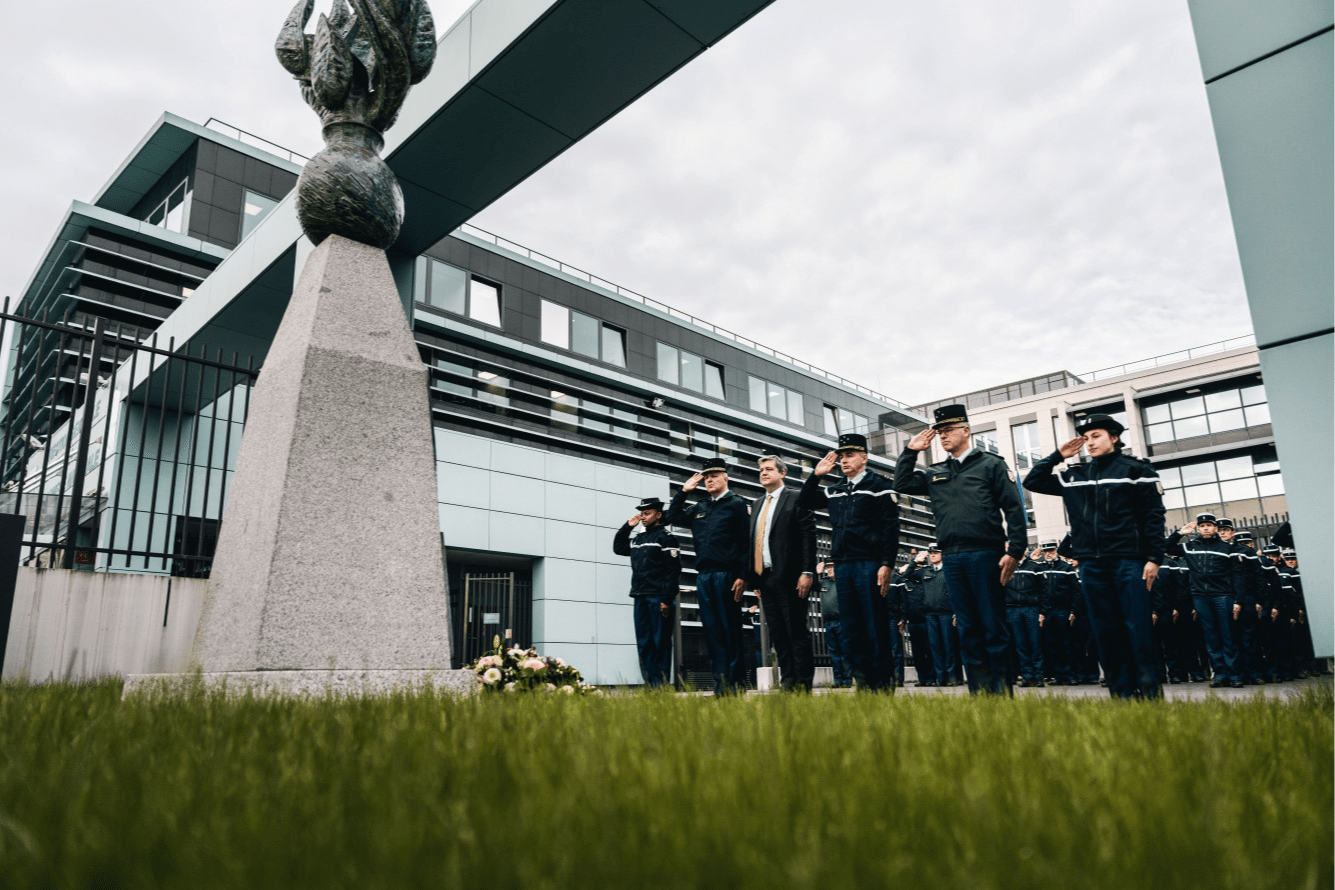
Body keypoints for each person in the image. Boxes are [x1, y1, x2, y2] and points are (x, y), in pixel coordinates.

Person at [1023, 413, 1166, 700]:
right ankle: (1121, 694)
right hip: (1091, 564)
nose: (1089, 443)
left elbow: (1154, 516)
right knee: (1105, 631)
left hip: (1129, 560)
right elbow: (1032, 481)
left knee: (1137, 628)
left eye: (1096, 436)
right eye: (1086, 438)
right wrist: (1057, 455)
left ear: (1114, 437)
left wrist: (1154, 558)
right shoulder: (1074, 475)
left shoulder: (1137, 470)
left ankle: (1149, 694)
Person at [894, 405, 1027, 696]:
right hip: (953, 557)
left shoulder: (990, 464)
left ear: (966, 430)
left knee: (993, 625)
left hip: (986, 554)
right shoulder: (936, 471)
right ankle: (980, 693)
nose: (942, 437)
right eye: (939, 432)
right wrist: (911, 451)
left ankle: (1002, 692)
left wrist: (1015, 550)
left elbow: (1014, 508)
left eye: (948, 431)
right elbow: (902, 483)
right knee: (967, 628)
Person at [799, 432, 901, 692]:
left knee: (874, 627)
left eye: (850, 455)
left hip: (869, 563)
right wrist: (816, 475)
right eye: (841, 456)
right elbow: (804, 502)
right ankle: (864, 685)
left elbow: (891, 528)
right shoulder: (835, 490)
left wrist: (887, 564)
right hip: (842, 566)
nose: (844, 461)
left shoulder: (880, 486)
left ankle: (883, 686)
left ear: (864, 458)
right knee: (852, 630)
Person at [664, 456, 750, 695]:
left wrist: (743, 576)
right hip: (704, 577)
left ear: (726, 478)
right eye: (706, 478)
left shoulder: (737, 504)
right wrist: (683, 492)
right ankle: (720, 685)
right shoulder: (700, 507)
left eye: (714, 477)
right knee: (712, 632)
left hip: (728, 576)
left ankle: (736, 685)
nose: (709, 481)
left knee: (730, 631)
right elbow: (673, 517)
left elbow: (747, 543)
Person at [747, 455, 818, 692]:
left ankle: (803, 685)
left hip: (792, 577)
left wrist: (807, 571)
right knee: (778, 634)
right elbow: (755, 541)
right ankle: (788, 682)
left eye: (769, 469)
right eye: (761, 470)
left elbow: (808, 536)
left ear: (782, 473)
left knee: (795, 631)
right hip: (765, 578)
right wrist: (755, 577)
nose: (764, 473)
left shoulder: (796, 497)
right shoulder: (757, 503)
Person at [1165, 513, 1243, 688]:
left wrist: (1238, 600)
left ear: (1215, 528)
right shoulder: (1190, 546)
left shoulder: (1227, 548)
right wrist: (1180, 533)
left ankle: (1234, 675)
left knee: (1228, 636)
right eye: (1202, 526)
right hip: (1200, 597)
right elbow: (1165, 547)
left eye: (1209, 525)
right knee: (1211, 637)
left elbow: (1238, 576)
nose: (1205, 528)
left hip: (1223, 596)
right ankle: (1220, 675)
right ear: (1198, 529)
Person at [612, 497, 681, 688]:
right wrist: (628, 526)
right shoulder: (638, 540)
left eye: (647, 513)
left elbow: (673, 571)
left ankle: (661, 686)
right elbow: (618, 548)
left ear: (658, 515)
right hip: (640, 597)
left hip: (660, 599)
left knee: (660, 643)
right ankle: (650, 685)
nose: (643, 517)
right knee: (644, 644)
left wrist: (667, 599)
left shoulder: (667, 538)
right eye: (641, 513)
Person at [907, 544, 959, 687]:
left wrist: (956, 612)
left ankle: (951, 677)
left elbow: (956, 591)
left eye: (936, 552)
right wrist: (915, 561)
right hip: (930, 614)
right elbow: (907, 574)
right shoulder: (925, 571)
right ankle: (940, 678)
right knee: (935, 647)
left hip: (946, 613)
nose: (933, 555)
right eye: (931, 553)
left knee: (949, 646)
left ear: (942, 554)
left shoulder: (948, 570)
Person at [1004, 547, 1047, 687]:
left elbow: (1044, 590)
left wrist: (1042, 612)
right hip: (1013, 610)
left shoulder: (1035, 567)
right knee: (1020, 645)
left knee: (1035, 643)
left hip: (1032, 609)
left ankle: (1039, 676)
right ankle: (1027, 676)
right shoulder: (1006, 567)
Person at [1037, 541, 1079, 686]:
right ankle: (1059, 675)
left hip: (1063, 611)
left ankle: (1071, 675)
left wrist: (1073, 610)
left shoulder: (1066, 568)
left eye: (1052, 551)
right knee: (1051, 644)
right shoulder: (1040, 568)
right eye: (1046, 551)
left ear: (1056, 551)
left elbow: (1076, 591)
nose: (1049, 554)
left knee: (1067, 643)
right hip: (1047, 612)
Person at [901, 551, 935, 687]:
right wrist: (914, 561)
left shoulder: (925, 581)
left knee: (929, 651)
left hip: (926, 620)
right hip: (913, 623)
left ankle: (931, 678)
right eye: (915, 568)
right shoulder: (907, 584)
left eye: (918, 569)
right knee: (918, 653)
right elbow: (906, 573)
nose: (916, 571)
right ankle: (922, 679)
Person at [818, 561, 853, 687]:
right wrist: (817, 573)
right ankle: (838, 680)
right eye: (828, 567)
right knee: (834, 653)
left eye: (832, 567)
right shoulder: (824, 581)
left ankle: (847, 680)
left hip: (842, 621)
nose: (830, 569)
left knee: (845, 652)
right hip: (829, 622)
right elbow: (812, 586)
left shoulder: (844, 582)